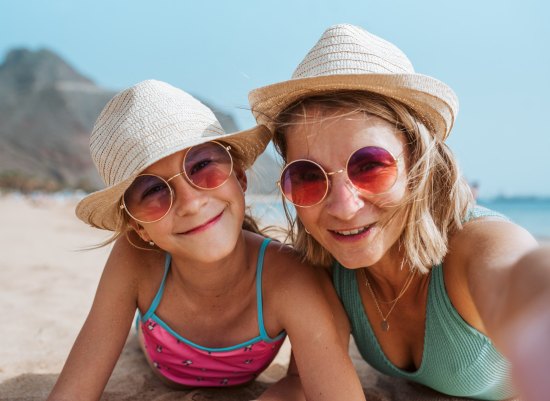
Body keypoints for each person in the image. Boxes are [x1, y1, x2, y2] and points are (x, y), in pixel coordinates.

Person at [249, 24, 550, 401]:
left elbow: (520, 278)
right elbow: (303, 382)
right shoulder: (325, 268)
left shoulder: (476, 246)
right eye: (308, 176)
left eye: (370, 166)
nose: (343, 207)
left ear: (418, 163)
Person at [47, 80, 365, 400]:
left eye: (201, 166)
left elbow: (302, 381)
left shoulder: (289, 276)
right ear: (139, 227)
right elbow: (74, 391)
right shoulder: (136, 257)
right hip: (152, 351)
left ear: (239, 177)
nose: (191, 203)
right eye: (154, 191)